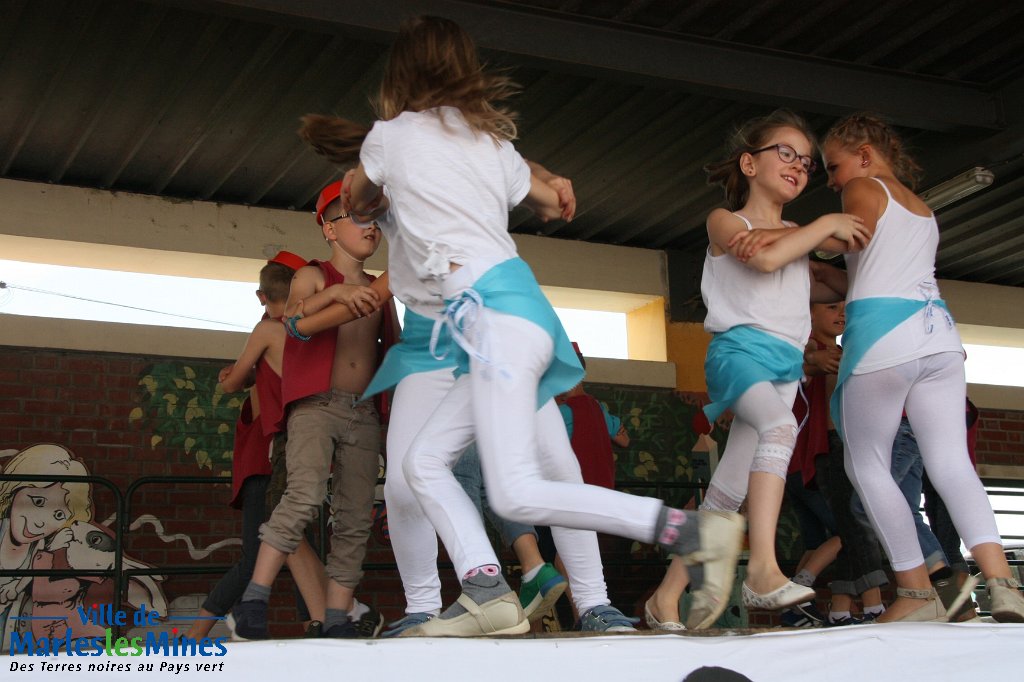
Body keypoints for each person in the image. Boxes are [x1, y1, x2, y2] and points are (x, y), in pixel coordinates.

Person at [310, 15, 746, 637]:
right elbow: (538, 193)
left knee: (516, 491)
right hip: (487, 321)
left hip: (493, 320)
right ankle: (484, 587)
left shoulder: (392, 136)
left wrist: (363, 170)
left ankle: (689, 535)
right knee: (423, 464)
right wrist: (551, 187)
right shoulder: (489, 145)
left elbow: (355, 194)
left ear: (399, 75)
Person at [289, 160, 604, 636]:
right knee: (400, 480)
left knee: (559, 463)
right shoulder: (397, 185)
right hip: (431, 352)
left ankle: (595, 603)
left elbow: (507, 157)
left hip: (499, 341)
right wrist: (303, 317)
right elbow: (367, 189)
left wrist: (550, 181)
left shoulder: (467, 169)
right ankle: (422, 606)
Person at [645, 110, 869, 630]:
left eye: (808, 163)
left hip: (785, 369)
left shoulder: (795, 236)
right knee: (780, 427)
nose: (798, 166)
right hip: (739, 353)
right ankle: (763, 572)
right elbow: (765, 261)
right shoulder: (728, 224)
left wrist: (828, 243)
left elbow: (836, 281)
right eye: (784, 153)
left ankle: (664, 596)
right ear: (749, 162)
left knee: (726, 493)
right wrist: (821, 228)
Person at [821, 112, 1024, 622]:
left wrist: (792, 240)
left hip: (886, 337)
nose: (831, 179)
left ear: (864, 156)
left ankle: (915, 593)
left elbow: (844, 242)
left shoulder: (863, 187)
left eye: (833, 166)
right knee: (952, 461)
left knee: (864, 463)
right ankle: (1002, 582)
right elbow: (868, 273)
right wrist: (816, 269)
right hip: (939, 337)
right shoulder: (922, 209)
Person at [231, 182, 398, 639]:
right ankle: (254, 600)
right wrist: (337, 296)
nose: (371, 228)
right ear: (329, 228)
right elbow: (295, 318)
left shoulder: (380, 288)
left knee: (354, 514)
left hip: (364, 413)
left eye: (376, 220)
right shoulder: (313, 273)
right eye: (358, 218)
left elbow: (394, 347)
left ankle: (338, 615)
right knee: (302, 495)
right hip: (315, 407)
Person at [183, 252, 336, 641]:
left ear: (260, 295)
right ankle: (321, 623)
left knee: (265, 549)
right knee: (298, 542)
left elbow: (233, 382)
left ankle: (193, 636)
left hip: (270, 450)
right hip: (313, 442)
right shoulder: (315, 330)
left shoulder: (269, 328)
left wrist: (235, 375)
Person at [793, 300, 887, 626]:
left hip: (813, 455)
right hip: (813, 454)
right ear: (810, 314)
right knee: (855, 526)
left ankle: (840, 608)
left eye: (843, 307)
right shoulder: (812, 351)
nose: (841, 314)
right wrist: (811, 359)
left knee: (837, 533)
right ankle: (802, 589)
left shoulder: (831, 351)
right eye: (832, 307)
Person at [0, 445, 92, 650]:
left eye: (58, 515)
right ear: (13, 491)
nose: (40, 523)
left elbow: (27, 577)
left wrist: (13, 588)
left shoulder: (40, 546)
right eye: (37, 501)